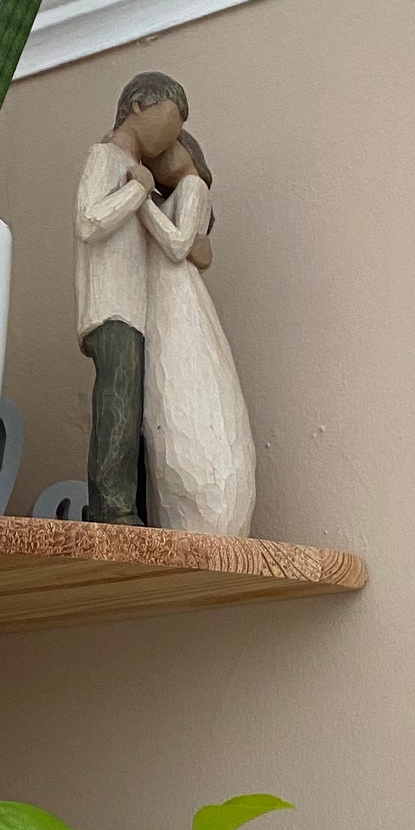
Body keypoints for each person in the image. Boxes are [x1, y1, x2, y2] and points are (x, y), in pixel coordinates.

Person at [73, 72, 189, 525]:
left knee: (135, 409)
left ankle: (133, 507)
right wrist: (138, 189)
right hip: (110, 304)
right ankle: (112, 508)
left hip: (134, 307)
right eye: (169, 120)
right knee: (118, 403)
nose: (172, 134)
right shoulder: (106, 158)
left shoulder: (134, 170)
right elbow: (88, 221)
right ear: (139, 105)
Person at [137, 127, 257, 537]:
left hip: (178, 300)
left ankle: (208, 512)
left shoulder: (193, 187)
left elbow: (176, 244)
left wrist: (140, 201)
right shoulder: (173, 196)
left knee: (186, 389)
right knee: (166, 404)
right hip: (165, 301)